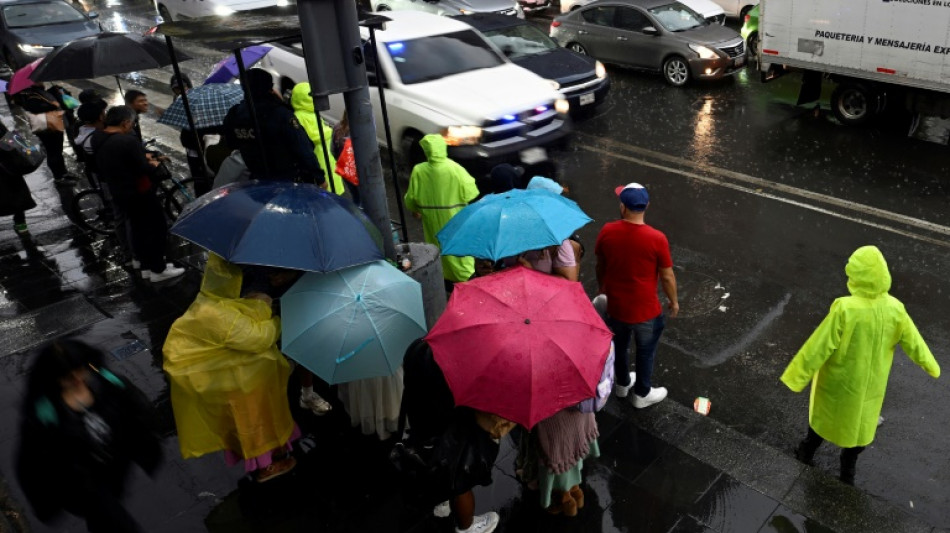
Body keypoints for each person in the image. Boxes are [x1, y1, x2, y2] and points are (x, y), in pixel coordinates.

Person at [780, 245, 940, 485]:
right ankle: (847, 472)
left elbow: (818, 346)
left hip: (839, 382)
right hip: (870, 387)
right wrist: (931, 365)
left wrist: (797, 376)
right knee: (859, 428)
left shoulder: (846, 308)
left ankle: (806, 452)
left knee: (823, 422)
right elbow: (914, 343)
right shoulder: (896, 309)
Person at [163, 254, 299, 482]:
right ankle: (266, 467)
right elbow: (260, 338)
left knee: (250, 424)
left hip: (219, 376)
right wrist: (277, 320)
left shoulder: (207, 301)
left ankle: (269, 456)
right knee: (255, 425)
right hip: (237, 384)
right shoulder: (222, 316)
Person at [16, 339, 162, 533]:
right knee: (114, 520)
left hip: (115, 468)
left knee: (105, 517)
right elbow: (30, 463)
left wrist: (145, 443)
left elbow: (135, 408)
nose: (77, 379)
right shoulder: (45, 414)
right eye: (67, 377)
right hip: (83, 485)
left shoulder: (105, 382)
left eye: (79, 370)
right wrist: (46, 504)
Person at [399, 339, 504, 533]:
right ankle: (467, 526)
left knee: (436, 470)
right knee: (459, 484)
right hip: (449, 439)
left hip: (422, 429)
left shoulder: (415, 348)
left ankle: (442, 503)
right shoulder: (450, 371)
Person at [594, 182, 678, 408]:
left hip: (616, 307)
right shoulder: (657, 238)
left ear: (622, 207)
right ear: (646, 206)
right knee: (645, 352)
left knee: (620, 347)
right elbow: (667, 276)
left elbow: (600, 265)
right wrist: (673, 301)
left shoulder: (608, 231)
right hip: (646, 310)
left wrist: (602, 287)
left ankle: (621, 384)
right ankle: (641, 393)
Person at [92, 105, 184, 282]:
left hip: (119, 191)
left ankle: (146, 266)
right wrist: (154, 164)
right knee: (155, 228)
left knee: (138, 229)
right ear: (126, 122)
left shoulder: (99, 137)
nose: (132, 126)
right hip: (139, 191)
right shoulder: (127, 141)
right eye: (132, 123)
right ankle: (158, 269)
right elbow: (143, 168)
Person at [222, 69, 326, 186]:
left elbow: (231, 143)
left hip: (258, 179)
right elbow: (303, 148)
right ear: (269, 87)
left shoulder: (235, 114)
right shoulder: (280, 114)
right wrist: (319, 177)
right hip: (289, 181)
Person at [403, 134, 480, 291]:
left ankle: (445, 280)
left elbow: (411, 198)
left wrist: (416, 209)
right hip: (455, 217)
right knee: (458, 251)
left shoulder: (419, 170)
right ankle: (466, 280)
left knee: (438, 249)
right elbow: (472, 192)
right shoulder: (455, 168)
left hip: (431, 220)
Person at [290, 82, 346, 195]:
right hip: (327, 159)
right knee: (334, 192)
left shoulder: (298, 117)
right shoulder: (312, 115)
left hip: (319, 162)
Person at [170, 74, 221, 195]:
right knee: (199, 180)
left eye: (183, 87)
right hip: (192, 148)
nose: (180, 91)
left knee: (211, 177)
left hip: (206, 145)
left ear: (188, 86)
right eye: (176, 89)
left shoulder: (200, 100)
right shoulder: (178, 101)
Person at [14, 82, 73, 182]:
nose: (41, 82)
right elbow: (34, 107)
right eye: (39, 81)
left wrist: (55, 91)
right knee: (53, 153)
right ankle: (59, 177)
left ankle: (63, 172)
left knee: (58, 152)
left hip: (53, 126)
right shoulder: (30, 94)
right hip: (47, 129)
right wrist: (53, 105)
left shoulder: (37, 92)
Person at [0, 120, 37, 234]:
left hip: (6, 165)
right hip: (8, 165)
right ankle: (21, 224)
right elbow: (8, 138)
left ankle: (21, 223)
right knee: (17, 195)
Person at [331, 110, 360, 205]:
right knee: (363, 196)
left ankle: (356, 208)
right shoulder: (360, 130)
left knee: (354, 194)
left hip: (345, 169)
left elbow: (332, 150)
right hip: (359, 171)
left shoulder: (337, 127)